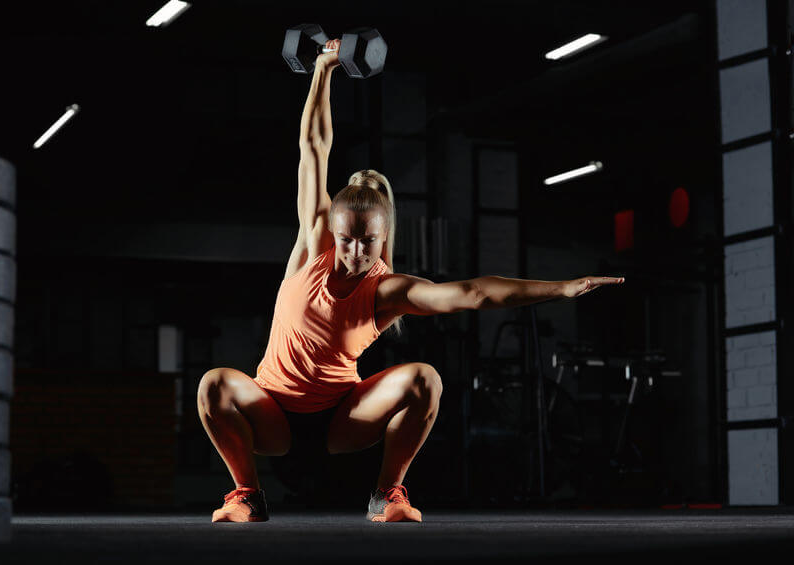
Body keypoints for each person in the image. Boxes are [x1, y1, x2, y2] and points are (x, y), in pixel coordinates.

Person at [197, 38, 625, 523]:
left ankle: (389, 496)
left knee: (426, 379)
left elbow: (472, 293)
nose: (356, 252)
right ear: (331, 232)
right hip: (272, 415)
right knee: (214, 385)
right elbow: (313, 149)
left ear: (383, 238)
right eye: (347, 240)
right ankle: (247, 496)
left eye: (369, 243)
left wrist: (561, 289)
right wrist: (323, 68)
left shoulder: (386, 291)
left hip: (344, 421)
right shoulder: (310, 249)